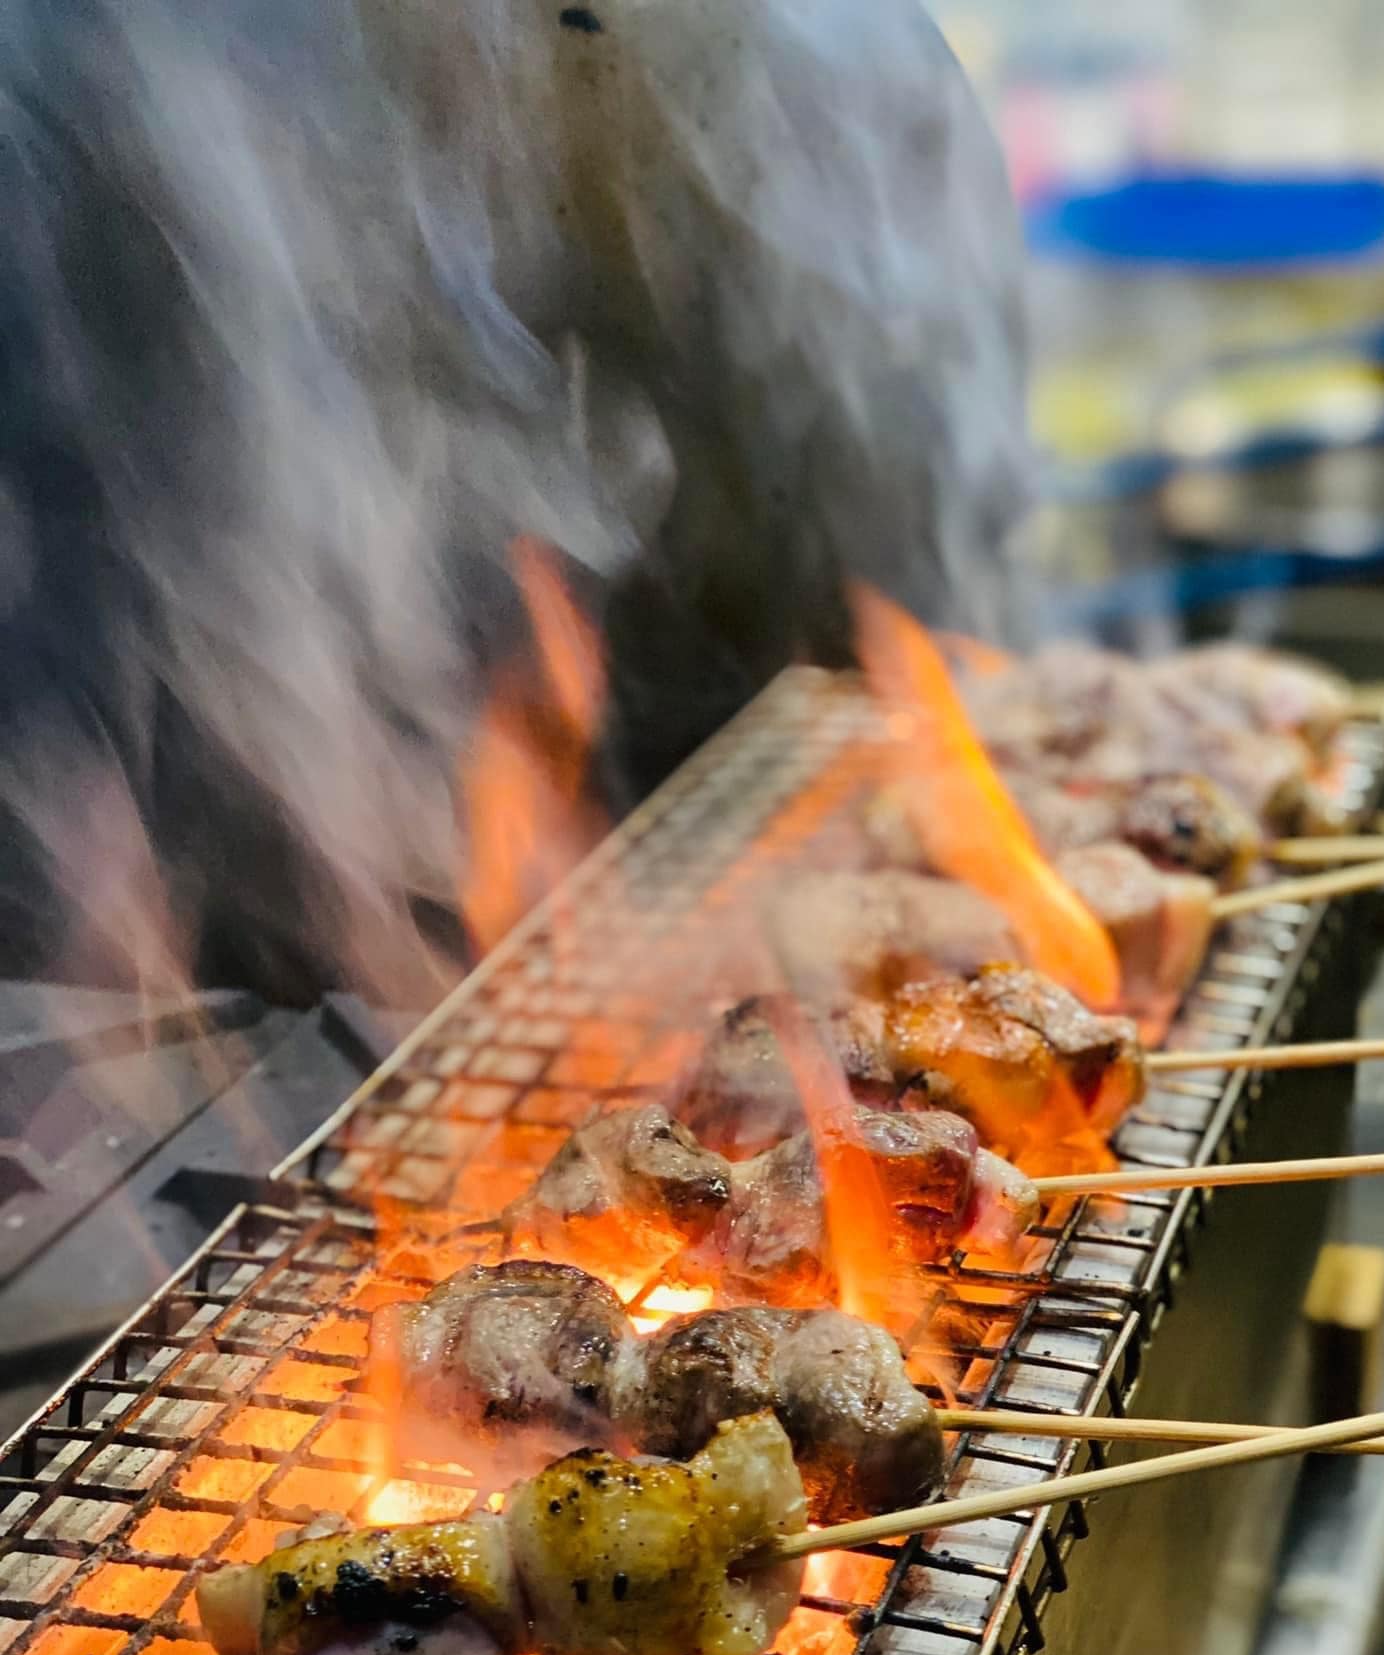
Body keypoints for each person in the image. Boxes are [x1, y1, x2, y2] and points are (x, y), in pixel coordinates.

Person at [0, 0, 1030, 1002]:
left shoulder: (817, 70)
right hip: (179, 907)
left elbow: (912, 522)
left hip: (621, 857)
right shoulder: (121, 78)